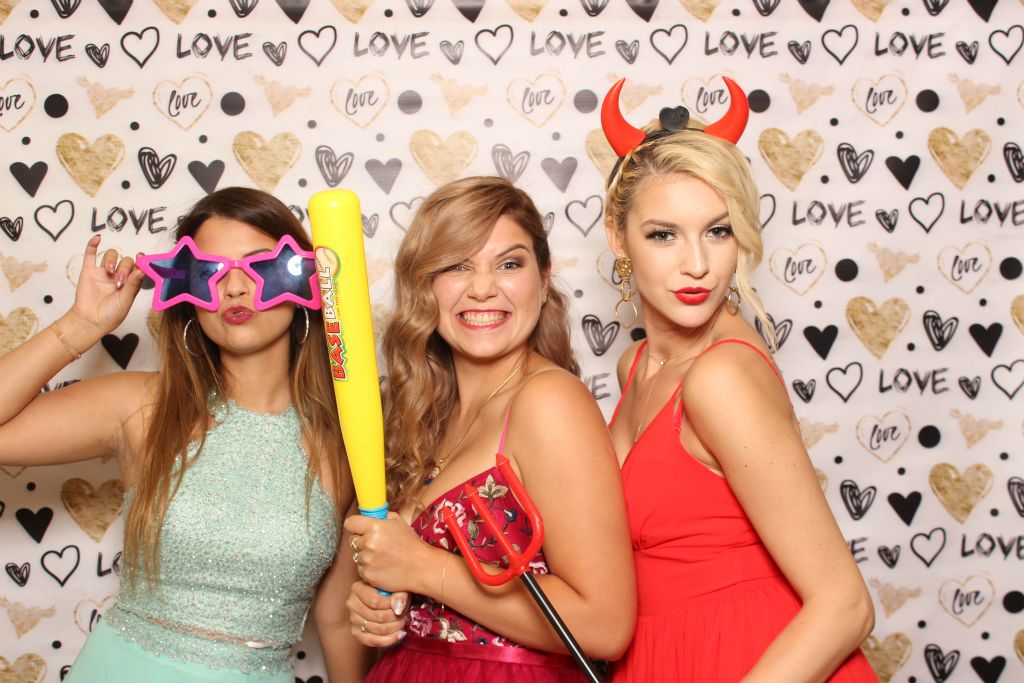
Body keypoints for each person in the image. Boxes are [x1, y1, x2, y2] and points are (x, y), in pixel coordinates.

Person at [0, 187, 367, 682]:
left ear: (305, 280)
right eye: (209, 272)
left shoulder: (346, 445)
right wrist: (81, 325)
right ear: (186, 293)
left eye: (259, 265)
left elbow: (338, 619)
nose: (234, 288)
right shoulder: (143, 407)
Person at [600, 78, 878, 682]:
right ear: (619, 239)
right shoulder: (636, 365)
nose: (697, 264)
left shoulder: (721, 376)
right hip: (664, 656)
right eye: (663, 234)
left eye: (718, 231)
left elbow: (845, 605)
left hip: (755, 658)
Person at [341, 176, 636, 680]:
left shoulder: (549, 401)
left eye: (509, 264)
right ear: (424, 286)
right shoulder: (423, 416)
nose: (481, 288)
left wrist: (423, 568)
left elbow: (605, 624)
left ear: (543, 278)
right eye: (457, 265)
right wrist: (380, 608)